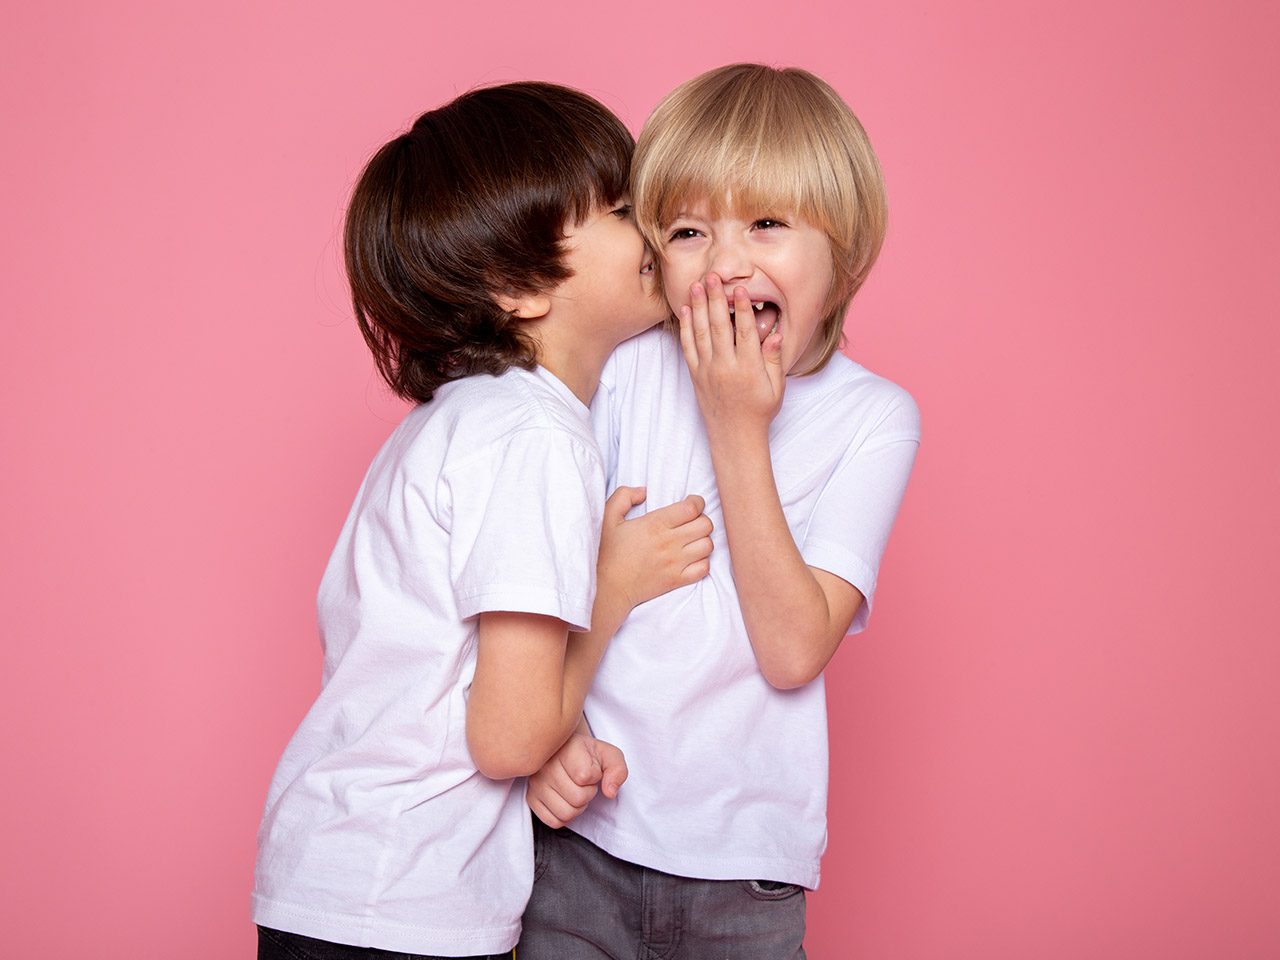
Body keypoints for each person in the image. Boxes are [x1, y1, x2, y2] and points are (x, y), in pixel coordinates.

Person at [251, 81, 713, 960]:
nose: (654, 228)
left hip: (332, 876)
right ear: (518, 285)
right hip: (404, 899)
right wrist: (612, 588)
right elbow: (507, 738)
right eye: (621, 209)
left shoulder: (454, 422)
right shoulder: (534, 437)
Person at [520, 64, 922, 959]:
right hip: (584, 843)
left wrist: (738, 426)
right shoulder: (623, 369)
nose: (727, 261)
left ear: (846, 252)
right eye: (690, 229)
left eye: (768, 224)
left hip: (747, 871)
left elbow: (791, 650)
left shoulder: (876, 420)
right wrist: (557, 732)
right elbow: (539, 574)